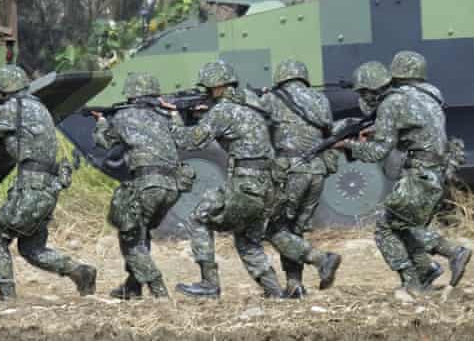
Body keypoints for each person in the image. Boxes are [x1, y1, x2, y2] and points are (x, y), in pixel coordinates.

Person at [0, 65, 97, 300]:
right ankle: (80, 272)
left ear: (6, 89)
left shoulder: (13, 108)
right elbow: (17, 134)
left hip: (31, 188)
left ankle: (8, 299)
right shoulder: (38, 107)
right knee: (31, 249)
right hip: (48, 187)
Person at [170, 60, 286, 298]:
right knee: (247, 242)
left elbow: (190, 141)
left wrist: (174, 119)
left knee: (199, 218)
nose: (206, 93)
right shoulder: (248, 106)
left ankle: (209, 283)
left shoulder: (223, 110)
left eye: (208, 89)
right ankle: (275, 293)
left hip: (246, 184)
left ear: (218, 86)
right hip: (267, 186)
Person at [336, 61, 446, 294]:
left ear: (371, 90)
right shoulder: (410, 97)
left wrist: (348, 146)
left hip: (420, 170)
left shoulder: (389, 104)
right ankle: (426, 270)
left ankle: (422, 274)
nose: (363, 98)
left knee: (386, 228)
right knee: (402, 224)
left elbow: (378, 152)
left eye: (363, 92)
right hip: (432, 168)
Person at [92, 72, 184, 299]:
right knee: (141, 232)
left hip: (147, 184)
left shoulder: (124, 116)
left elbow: (105, 142)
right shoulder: (166, 115)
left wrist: (102, 122)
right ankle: (132, 288)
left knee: (130, 238)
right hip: (173, 186)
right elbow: (181, 137)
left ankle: (159, 290)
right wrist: (175, 115)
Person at [389, 50, 472, 288]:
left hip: (420, 170)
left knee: (395, 223)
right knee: (410, 224)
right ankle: (424, 275)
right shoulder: (433, 93)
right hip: (439, 168)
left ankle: (452, 252)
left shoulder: (400, 98)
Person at [260, 59, 342, 298]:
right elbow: (328, 130)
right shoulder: (320, 99)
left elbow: (261, 130)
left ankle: (321, 259)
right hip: (317, 170)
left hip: (290, 169)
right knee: (294, 231)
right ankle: (294, 285)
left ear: (280, 77)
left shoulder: (272, 99)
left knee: (274, 229)